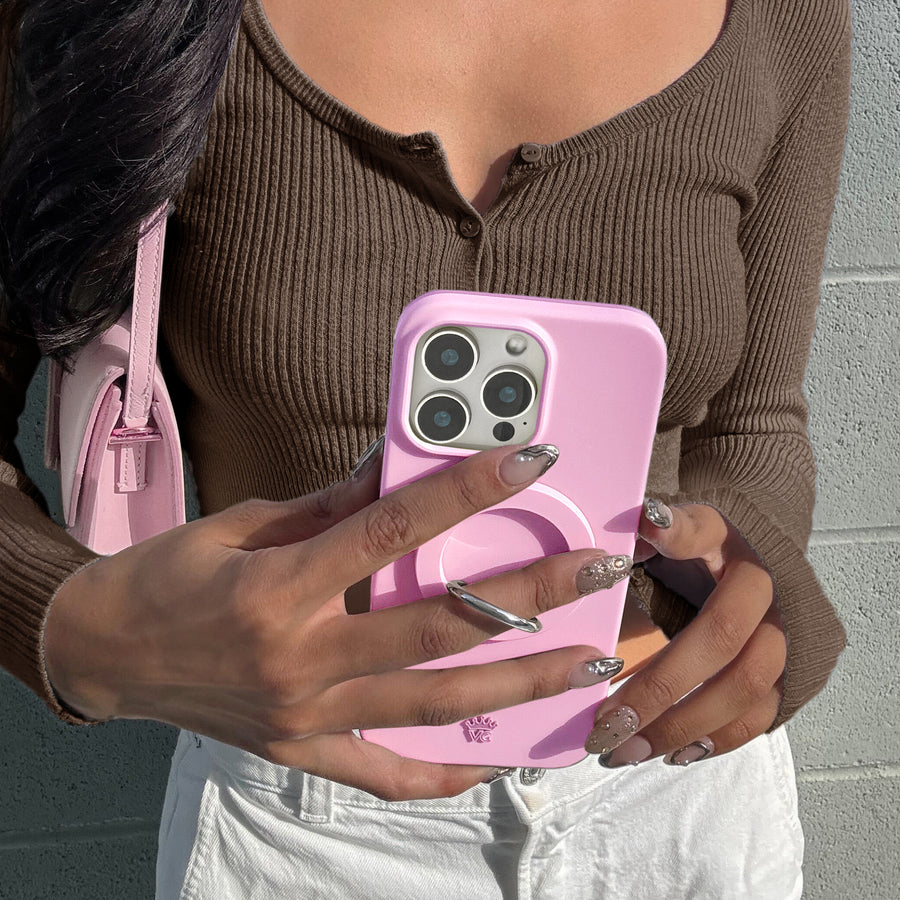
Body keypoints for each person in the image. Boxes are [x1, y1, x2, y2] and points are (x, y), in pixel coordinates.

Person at [0, 0, 851, 896]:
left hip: (669, 793)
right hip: (303, 822)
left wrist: (746, 596)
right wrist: (74, 631)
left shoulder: (781, 16)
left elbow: (752, 421)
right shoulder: (113, 14)